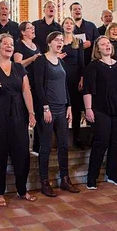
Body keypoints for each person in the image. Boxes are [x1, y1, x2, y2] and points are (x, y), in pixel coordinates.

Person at [0, 33, 37, 207]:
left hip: (18, 115)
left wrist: (31, 113)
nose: (9, 46)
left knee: (22, 153)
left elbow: (26, 91)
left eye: (11, 44)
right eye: (5, 43)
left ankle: (22, 190)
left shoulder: (19, 68)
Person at [84, 36, 117, 189]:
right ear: (97, 49)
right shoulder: (93, 66)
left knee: (116, 143)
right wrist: (88, 109)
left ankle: (112, 174)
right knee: (101, 142)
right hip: (100, 109)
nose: (107, 46)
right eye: (103, 44)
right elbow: (88, 89)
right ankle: (91, 178)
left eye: (108, 44)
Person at [34, 31, 79, 197]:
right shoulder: (41, 61)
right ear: (49, 43)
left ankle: (65, 179)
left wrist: (69, 106)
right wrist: (45, 107)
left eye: (61, 40)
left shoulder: (60, 61)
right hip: (48, 109)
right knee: (45, 146)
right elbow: (38, 86)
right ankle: (44, 182)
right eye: (56, 40)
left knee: (63, 145)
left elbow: (65, 85)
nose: (60, 42)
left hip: (62, 108)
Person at [14, 22, 42, 152]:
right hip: (25, 82)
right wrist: (32, 58)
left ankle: (37, 145)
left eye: (33, 28)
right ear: (23, 32)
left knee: (37, 112)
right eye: (30, 28)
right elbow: (17, 64)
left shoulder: (37, 46)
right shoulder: (19, 45)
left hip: (37, 83)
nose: (33, 30)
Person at [61, 17, 85, 149]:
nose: (69, 25)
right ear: (62, 26)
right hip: (61, 77)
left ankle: (77, 137)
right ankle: (62, 139)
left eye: (71, 23)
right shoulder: (58, 40)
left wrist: (82, 78)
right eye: (66, 23)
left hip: (75, 77)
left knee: (75, 108)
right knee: (62, 107)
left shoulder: (78, 41)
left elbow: (81, 62)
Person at [70, 2, 99, 66]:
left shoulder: (91, 25)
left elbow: (98, 40)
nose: (77, 10)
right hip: (73, 62)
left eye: (79, 9)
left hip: (90, 60)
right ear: (71, 12)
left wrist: (91, 43)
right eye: (75, 9)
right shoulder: (67, 27)